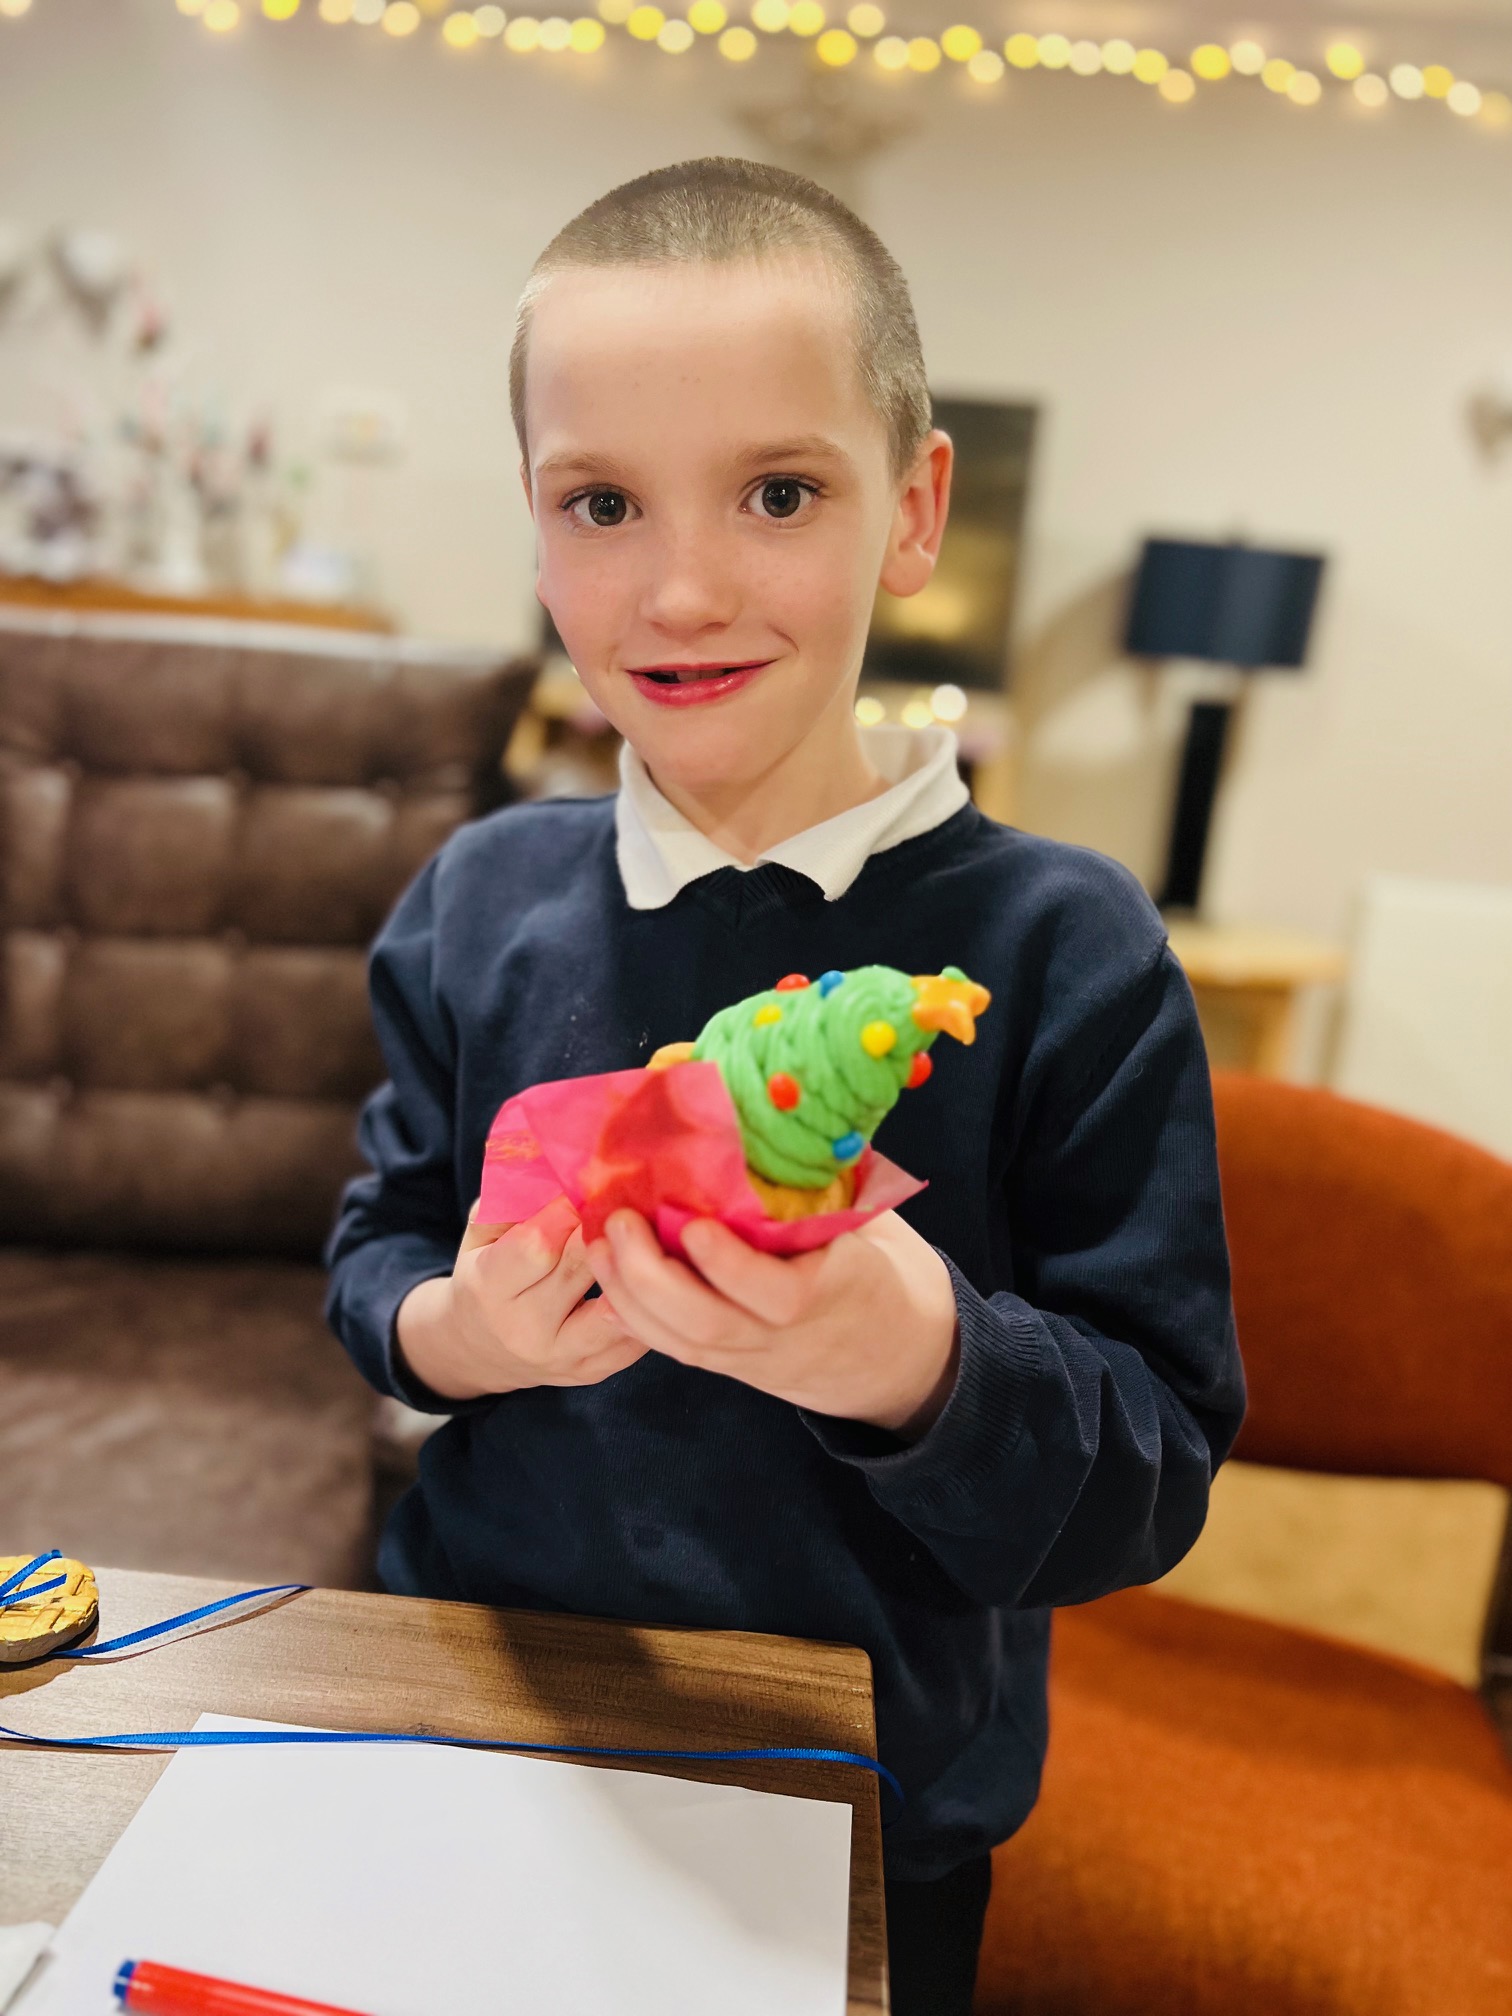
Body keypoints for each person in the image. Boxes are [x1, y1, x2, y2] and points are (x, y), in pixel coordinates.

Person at [326, 156, 1245, 2016]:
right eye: (601, 502)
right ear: (533, 531)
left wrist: (916, 1358)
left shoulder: (1066, 951)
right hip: (462, 1698)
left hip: (853, 1793)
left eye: (777, 491)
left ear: (910, 512)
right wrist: (461, 1331)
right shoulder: (476, 900)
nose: (679, 586)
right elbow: (376, 1255)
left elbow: (1151, 1483)